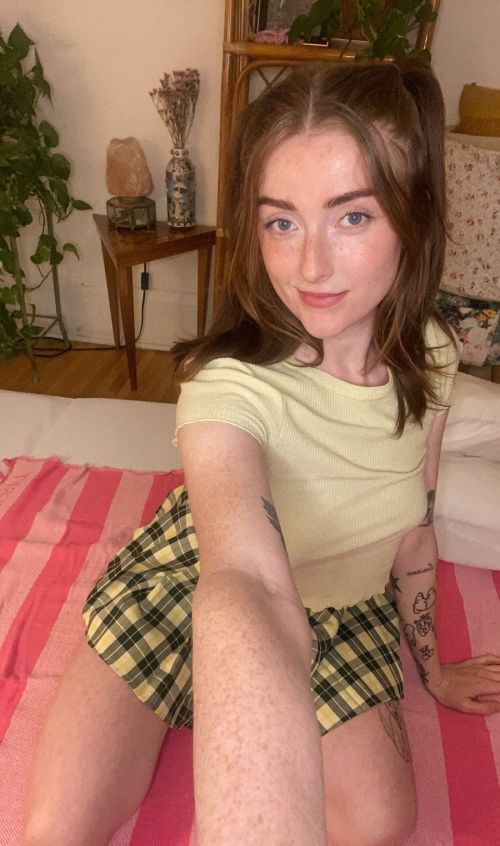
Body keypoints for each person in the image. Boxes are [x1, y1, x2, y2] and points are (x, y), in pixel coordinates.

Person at [24, 61, 500, 846]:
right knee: (54, 830)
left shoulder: (434, 356)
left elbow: (415, 527)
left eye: (352, 217)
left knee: (381, 821)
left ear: (415, 214)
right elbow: (244, 576)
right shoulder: (228, 382)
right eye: (281, 223)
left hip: (345, 610)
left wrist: (436, 669)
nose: (310, 266)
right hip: (191, 577)